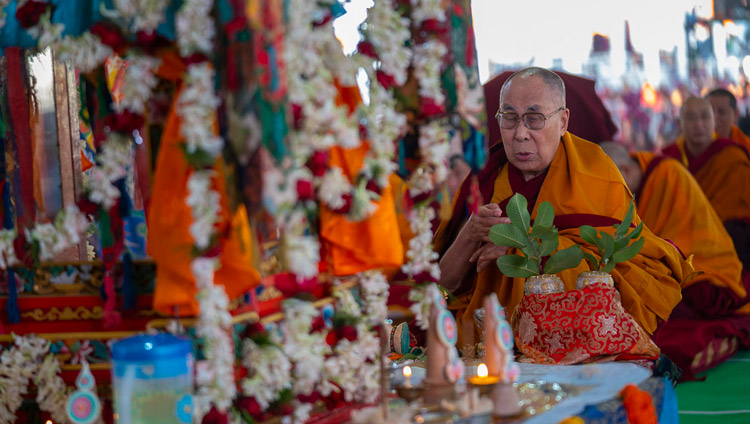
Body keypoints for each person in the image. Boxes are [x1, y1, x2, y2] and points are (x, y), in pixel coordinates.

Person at [434, 67, 690, 348]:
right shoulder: (483, 182)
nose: (520, 133)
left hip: (577, 335)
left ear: (563, 121)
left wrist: (526, 249)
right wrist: (471, 233)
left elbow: (624, 269)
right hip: (490, 339)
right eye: (509, 118)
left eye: (534, 119)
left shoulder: (595, 171)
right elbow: (443, 285)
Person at [601, 142, 750, 378]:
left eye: (609, 185)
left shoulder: (668, 174)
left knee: (668, 338)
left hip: (700, 270)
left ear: (626, 172)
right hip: (660, 271)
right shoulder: (632, 177)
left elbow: (673, 244)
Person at [662, 97, 750, 275]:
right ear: (680, 124)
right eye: (691, 118)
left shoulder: (732, 155)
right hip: (681, 235)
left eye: (704, 117)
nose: (698, 124)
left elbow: (738, 208)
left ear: (714, 121)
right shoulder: (668, 158)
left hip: (723, 235)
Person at [706, 88, 750, 155]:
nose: (714, 118)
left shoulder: (746, 146)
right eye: (709, 112)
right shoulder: (693, 146)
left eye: (722, 112)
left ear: (736, 114)